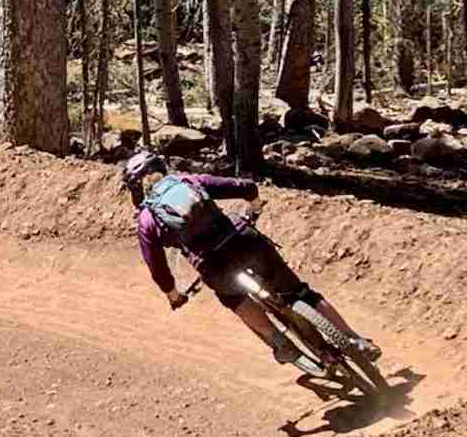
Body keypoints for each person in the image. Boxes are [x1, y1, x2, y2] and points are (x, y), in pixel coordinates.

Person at [121, 150, 381, 368]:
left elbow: (157, 267)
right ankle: (354, 339)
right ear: (161, 168)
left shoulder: (147, 219)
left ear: (136, 188)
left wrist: (174, 296)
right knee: (301, 293)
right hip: (245, 241)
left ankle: (280, 344)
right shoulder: (189, 181)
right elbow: (244, 187)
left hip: (214, 266)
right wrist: (254, 206)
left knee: (236, 300)